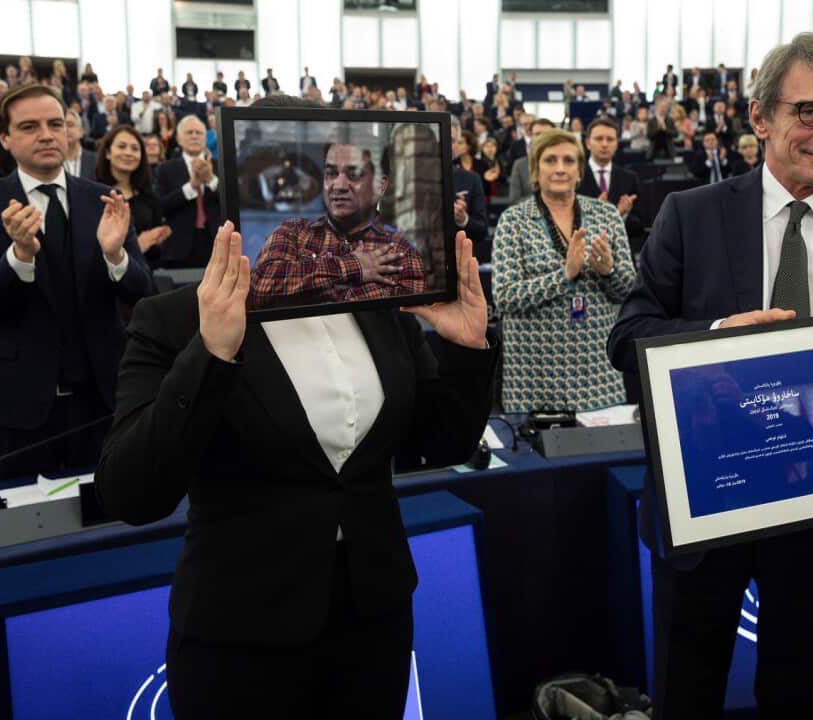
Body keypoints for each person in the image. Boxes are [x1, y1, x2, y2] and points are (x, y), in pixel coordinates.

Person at [95, 93, 496, 718]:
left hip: (373, 629)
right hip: (240, 642)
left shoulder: (380, 298)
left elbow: (438, 445)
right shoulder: (174, 319)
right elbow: (132, 493)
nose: (321, 188)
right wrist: (212, 353)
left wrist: (469, 352)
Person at [608, 33, 813, 719]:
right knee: (685, 696)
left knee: (795, 696)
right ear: (760, 118)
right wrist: (718, 339)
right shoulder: (690, 216)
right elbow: (628, 338)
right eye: (810, 111)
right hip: (707, 506)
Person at [0, 83, 151, 481]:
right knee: (20, 525)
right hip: (17, 401)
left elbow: (141, 292)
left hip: (102, 397)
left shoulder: (105, 200)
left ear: (69, 131)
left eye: (55, 123)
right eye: (29, 126)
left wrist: (115, 255)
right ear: (4, 138)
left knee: (112, 520)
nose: (46, 134)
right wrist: (19, 255)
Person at [493, 128, 636, 412]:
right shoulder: (513, 221)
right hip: (534, 379)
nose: (560, 169)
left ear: (580, 171)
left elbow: (629, 292)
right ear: (535, 169)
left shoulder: (606, 215)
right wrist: (564, 275)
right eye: (550, 160)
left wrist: (609, 271)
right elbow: (505, 297)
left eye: (569, 161)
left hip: (598, 376)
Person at [248, 134, 425, 308]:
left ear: (380, 185)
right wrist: (354, 266)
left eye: (354, 173)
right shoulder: (293, 231)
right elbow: (262, 289)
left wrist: (306, 290)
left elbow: (399, 329)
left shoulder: (401, 253)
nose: (338, 186)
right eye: (331, 173)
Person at [95, 125, 172, 266]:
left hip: (143, 276)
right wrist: (136, 246)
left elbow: (157, 253)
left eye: (135, 149)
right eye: (122, 146)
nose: (129, 153)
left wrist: (157, 239)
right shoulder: (92, 193)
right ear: (107, 152)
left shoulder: (149, 197)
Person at [155, 115, 220, 268]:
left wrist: (211, 180)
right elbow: (160, 207)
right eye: (189, 132)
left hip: (216, 244)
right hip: (178, 248)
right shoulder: (165, 168)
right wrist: (190, 187)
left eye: (198, 133)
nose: (194, 136)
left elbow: (233, 200)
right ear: (178, 139)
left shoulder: (221, 165)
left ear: (205, 137)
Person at [577, 117, 644, 245]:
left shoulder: (630, 178)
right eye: (599, 139)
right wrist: (613, 215)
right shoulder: (575, 177)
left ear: (617, 144)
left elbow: (639, 225)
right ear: (587, 143)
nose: (604, 144)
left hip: (620, 253)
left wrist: (622, 216)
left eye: (610, 139)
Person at [450, 121, 490, 263]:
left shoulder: (471, 179)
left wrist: (463, 219)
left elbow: (482, 230)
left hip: (459, 259)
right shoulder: (411, 178)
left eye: (453, 140)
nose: (447, 144)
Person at [507, 117, 555, 204]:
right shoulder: (519, 165)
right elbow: (514, 200)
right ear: (530, 136)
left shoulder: (566, 165)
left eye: (547, 134)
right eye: (537, 134)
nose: (542, 138)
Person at [61, 109, 96, 180]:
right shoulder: (50, 161)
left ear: (81, 131)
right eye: (61, 126)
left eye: (70, 125)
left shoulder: (96, 160)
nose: (65, 129)